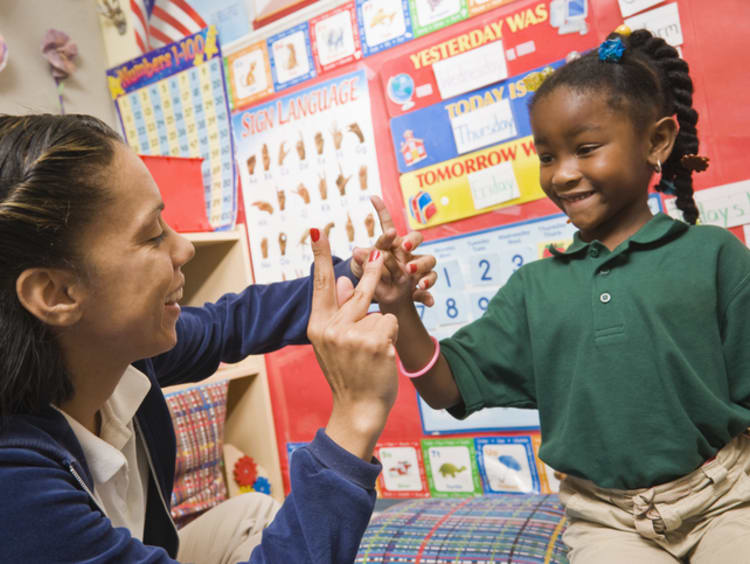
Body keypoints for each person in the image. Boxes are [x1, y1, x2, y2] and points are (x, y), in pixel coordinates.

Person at [374, 28, 750, 563]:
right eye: (547, 156)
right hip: (608, 520)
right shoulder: (535, 288)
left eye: (586, 148)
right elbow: (444, 386)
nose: (563, 174)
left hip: (727, 500)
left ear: (657, 141)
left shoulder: (715, 256)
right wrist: (396, 306)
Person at [0, 113, 435, 563]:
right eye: (152, 236)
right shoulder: (15, 488)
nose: (185, 248)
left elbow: (231, 323)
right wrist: (355, 417)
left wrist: (355, 279)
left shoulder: (116, 358)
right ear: (55, 293)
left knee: (253, 512)